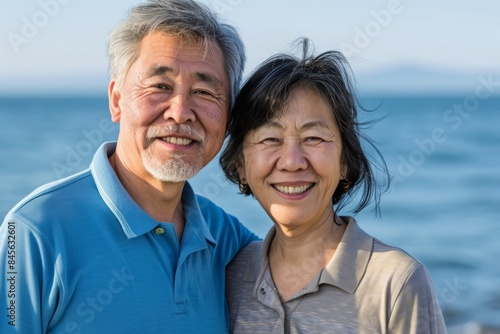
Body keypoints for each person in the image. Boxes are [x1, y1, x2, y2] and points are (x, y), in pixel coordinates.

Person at [0, 0, 258, 333]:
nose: (180, 112)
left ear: (228, 117)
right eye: (160, 86)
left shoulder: (227, 238)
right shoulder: (33, 230)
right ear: (117, 100)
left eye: (204, 91)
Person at [220, 39, 447, 333]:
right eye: (270, 139)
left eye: (313, 138)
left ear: (344, 161)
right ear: (241, 165)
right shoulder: (229, 276)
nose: (292, 162)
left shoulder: (396, 282)